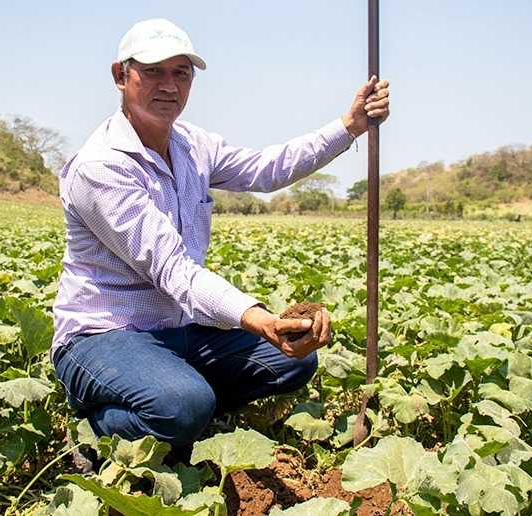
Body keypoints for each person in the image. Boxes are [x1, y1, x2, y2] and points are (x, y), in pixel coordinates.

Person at [51, 18, 390, 449]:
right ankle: (101, 429)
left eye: (181, 73)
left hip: (180, 328)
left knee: (290, 365)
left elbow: (267, 170)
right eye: (153, 71)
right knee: (182, 404)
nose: (169, 85)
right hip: (105, 334)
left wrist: (350, 125)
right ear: (121, 76)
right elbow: (174, 270)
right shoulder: (101, 167)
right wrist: (260, 318)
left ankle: (183, 405)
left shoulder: (193, 144)